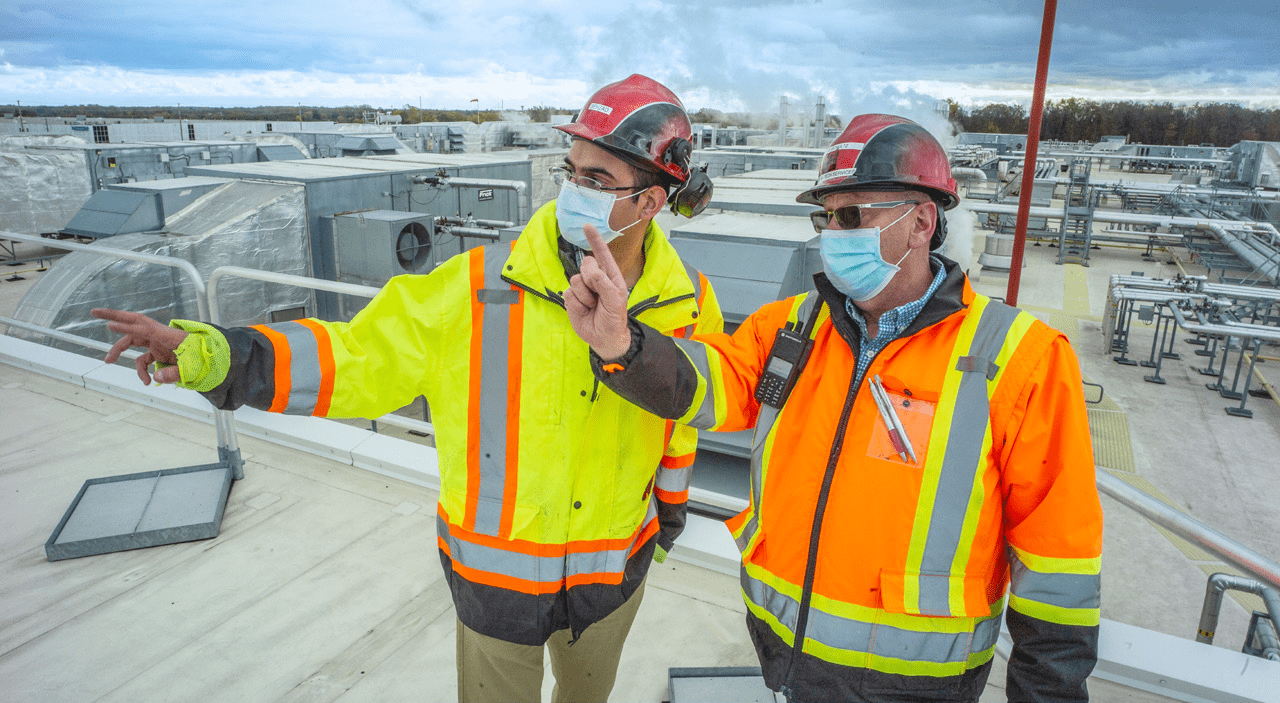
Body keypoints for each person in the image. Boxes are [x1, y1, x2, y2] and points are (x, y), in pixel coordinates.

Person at [92, 73, 723, 703]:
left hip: (609, 579)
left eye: (597, 180)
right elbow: (355, 356)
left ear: (650, 202)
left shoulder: (688, 304)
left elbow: (681, 422)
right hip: (495, 583)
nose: (572, 192)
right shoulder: (478, 286)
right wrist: (218, 354)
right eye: (571, 170)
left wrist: (667, 521)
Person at [564, 114, 1103, 702]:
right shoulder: (792, 328)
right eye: (825, 218)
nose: (832, 235)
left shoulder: (1018, 358)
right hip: (784, 654)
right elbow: (710, 385)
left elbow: (1059, 559)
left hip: (916, 683)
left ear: (921, 221)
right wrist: (622, 346)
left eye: (851, 216)